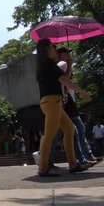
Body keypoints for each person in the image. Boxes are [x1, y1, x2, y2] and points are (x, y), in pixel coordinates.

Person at [35, 39, 91, 177]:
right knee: (49, 135)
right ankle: (43, 168)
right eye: (54, 46)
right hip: (52, 103)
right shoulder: (48, 64)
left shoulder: (45, 65)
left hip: (52, 102)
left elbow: (61, 80)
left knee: (70, 129)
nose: (55, 48)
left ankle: (73, 164)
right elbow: (65, 80)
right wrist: (83, 92)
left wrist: (69, 65)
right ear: (47, 48)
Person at [56, 47, 99, 165]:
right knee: (78, 128)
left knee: (71, 130)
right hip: (67, 101)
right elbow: (63, 79)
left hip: (69, 100)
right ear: (60, 54)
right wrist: (69, 65)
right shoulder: (62, 64)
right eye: (66, 53)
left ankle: (84, 156)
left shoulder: (64, 63)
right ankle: (86, 156)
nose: (69, 55)